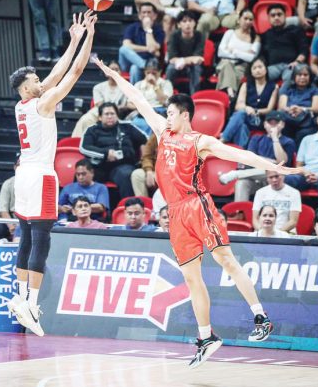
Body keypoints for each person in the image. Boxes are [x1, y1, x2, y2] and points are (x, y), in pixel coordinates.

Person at [93, 57, 303, 368]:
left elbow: (238, 153)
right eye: (165, 114)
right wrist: (112, 73)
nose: (166, 118)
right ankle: (206, 336)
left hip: (198, 205)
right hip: (175, 213)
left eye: (171, 114)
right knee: (192, 278)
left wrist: (273, 166)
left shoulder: (199, 141)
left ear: (185, 115)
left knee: (225, 260)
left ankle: (261, 317)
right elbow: (138, 99)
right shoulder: (162, 133)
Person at [6, 10, 97, 337]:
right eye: (34, 81)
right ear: (26, 89)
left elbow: (56, 72)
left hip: (23, 175)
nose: (40, 82)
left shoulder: (23, 105)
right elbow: (73, 72)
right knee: (41, 239)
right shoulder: (43, 104)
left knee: (27, 236)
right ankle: (30, 303)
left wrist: (73, 39)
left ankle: (19, 298)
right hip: (41, 175)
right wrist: (88, 36)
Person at [223, 111, 296, 202]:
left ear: (282, 125)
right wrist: (272, 162)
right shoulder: (256, 138)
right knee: (242, 182)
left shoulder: (288, 141)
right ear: (265, 124)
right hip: (256, 178)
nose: (273, 126)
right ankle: (240, 212)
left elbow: (282, 162)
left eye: (276, 123)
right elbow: (250, 160)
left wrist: (275, 138)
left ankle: (237, 174)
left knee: (275, 170)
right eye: (270, 123)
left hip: (278, 180)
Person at [80, 103, 148, 198]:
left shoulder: (127, 127)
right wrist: (106, 154)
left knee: (126, 174)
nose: (110, 116)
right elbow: (84, 148)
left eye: (112, 114)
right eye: (106, 114)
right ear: (100, 117)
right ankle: (80, 204)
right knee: (82, 170)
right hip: (100, 166)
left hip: (123, 165)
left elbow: (145, 140)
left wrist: (143, 160)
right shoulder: (92, 130)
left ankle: (129, 206)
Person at [220, 57, 278, 147]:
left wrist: (255, 111)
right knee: (242, 126)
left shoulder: (274, 86)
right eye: (254, 68)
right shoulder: (246, 85)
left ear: (266, 69)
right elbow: (239, 105)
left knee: (241, 114)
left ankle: (223, 139)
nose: (257, 70)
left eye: (260, 67)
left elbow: (269, 109)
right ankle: (241, 153)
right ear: (251, 71)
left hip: (260, 120)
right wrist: (247, 108)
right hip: (246, 117)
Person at [72, 61, 128, 138]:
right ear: (106, 73)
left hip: (118, 114)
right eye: (111, 69)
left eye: (116, 69)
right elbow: (100, 104)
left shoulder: (126, 88)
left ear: (120, 72)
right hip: (98, 112)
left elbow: (126, 105)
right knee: (85, 119)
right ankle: (78, 143)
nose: (114, 72)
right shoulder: (98, 87)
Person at [260, 4, 309, 85]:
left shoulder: (296, 31)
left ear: (285, 16)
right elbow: (261, 55)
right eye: (273, 15)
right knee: (256, 76)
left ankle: (282, 96)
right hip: (273, 67)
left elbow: (304, 50)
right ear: (268, 18)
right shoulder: (265, 35)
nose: (276, 17)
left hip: (291, 65)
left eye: (279, 14)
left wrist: (297, 62)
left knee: (290, 78)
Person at [119, 3, 164, 84]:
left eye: (149, 12)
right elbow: (126, 45)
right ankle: (144, 65)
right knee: (123, 49)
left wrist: (148, 29)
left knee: (134, 68)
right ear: (139, 15)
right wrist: (148, 49)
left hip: (150, 62)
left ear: (155, 16)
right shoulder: (132, 27)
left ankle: (134, 95)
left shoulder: (159, 30)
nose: (146, 15)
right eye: (143, 12)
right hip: (129, 62)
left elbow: (153, 48)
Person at [278, 64, 318, 144]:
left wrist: (302, 109)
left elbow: (316, 108)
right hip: (289, 117)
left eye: (305, 75)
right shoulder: (287, 87)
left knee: (303, 134)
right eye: (299, 75)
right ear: (294, 76)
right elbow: (281, 106)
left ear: (310, 77)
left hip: (307, 121)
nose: (302, 77)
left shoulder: (314, 89)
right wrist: (290, 109)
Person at [166, 10, 205, 95]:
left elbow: (198, 58)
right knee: (170, 68)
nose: (188, 24)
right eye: (184, 21)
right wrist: (185, 61)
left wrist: (183, 61)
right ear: (179, 25)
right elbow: (172, 59)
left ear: (195, 23)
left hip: (192, 65)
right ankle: (168, 95)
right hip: (177, 65)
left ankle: (194, 98)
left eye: (190, 21)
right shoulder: (174, 35)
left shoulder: (199, 35)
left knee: (196, 68)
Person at [130, 60, 174, 135]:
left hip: (159, 111)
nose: (151, 75)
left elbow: (165, 102)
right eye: (148, 73)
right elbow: (129, 104)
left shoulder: (166, 83)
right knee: (134, 124)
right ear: (145, 72)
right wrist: (142, 107)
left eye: (154, 73)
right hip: (142, 112)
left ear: (160, 72)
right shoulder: (138, 84)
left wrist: (155, 85)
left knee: (153, 125)